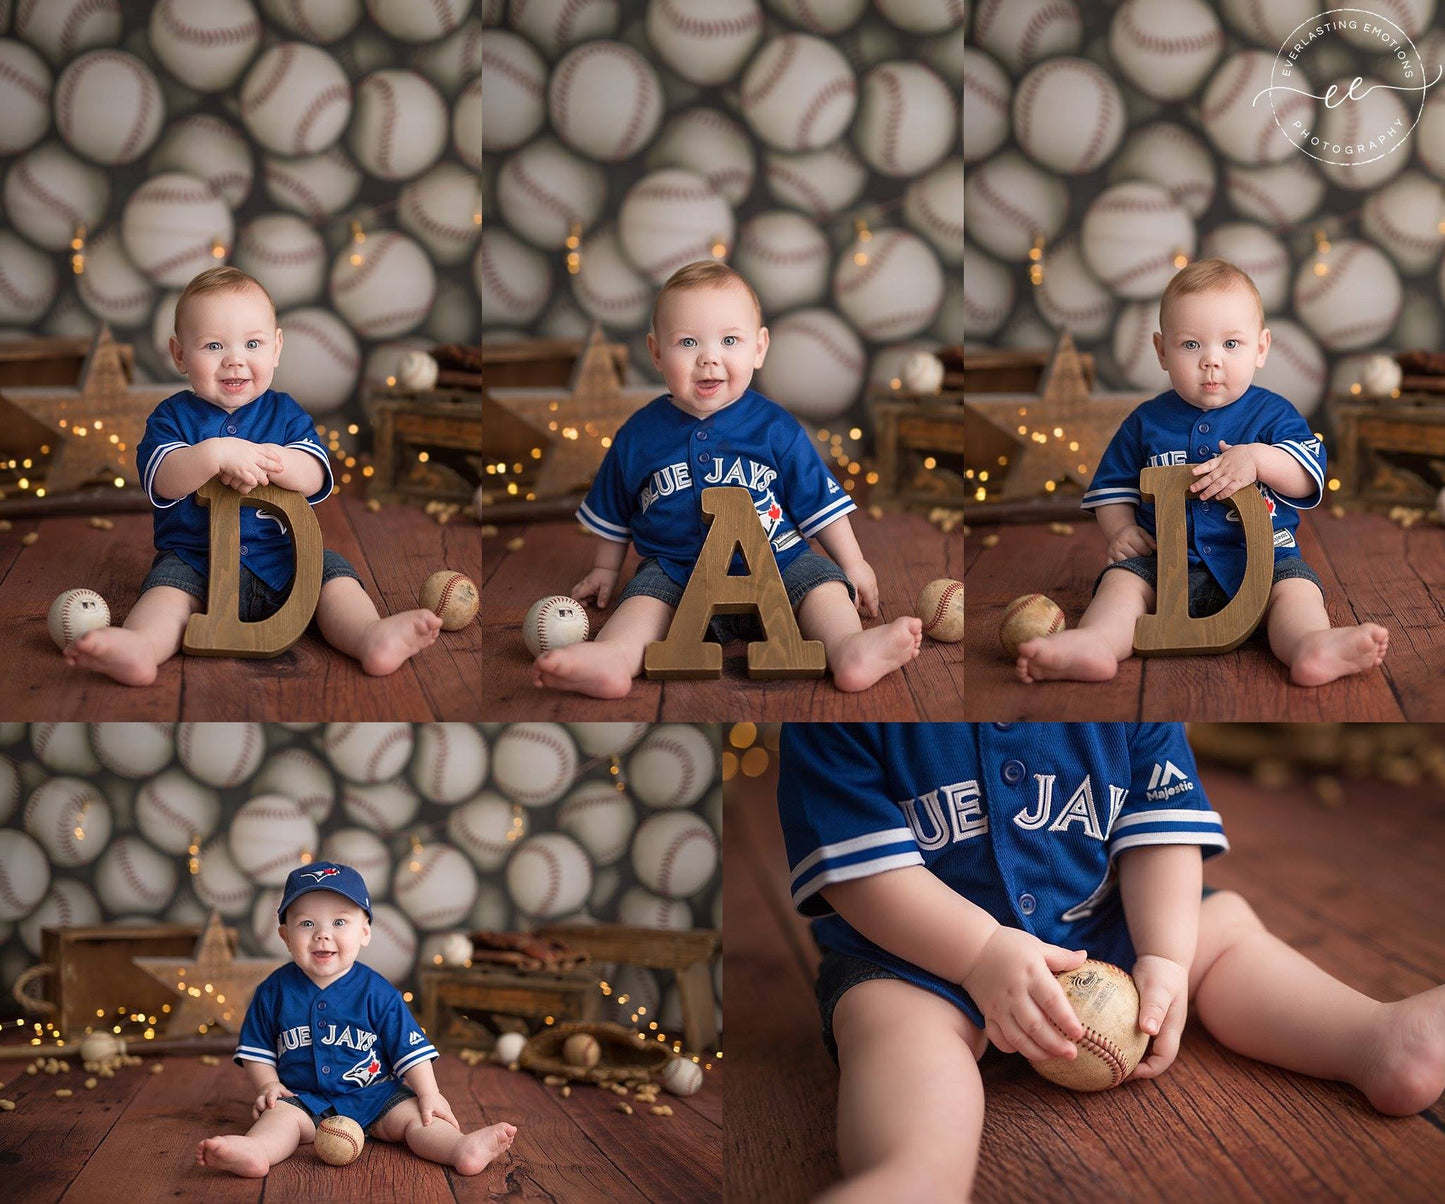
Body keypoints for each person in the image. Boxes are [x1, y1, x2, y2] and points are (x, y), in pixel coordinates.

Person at [777, 723, 1445, 1202]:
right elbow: (859, 873)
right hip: (919, 957)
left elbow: (1159, 831)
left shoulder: (1115, 688)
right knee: (892, 1024)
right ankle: (912, 1175)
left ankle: (1373, 1041)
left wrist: (1164, 953)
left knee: (1221, 930)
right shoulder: (855, 704)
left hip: (1096, 925)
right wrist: (978, 953)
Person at [532, 260, 922, 697]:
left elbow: (818, 504)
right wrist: (605, 567)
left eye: (729, 340)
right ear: (657, 352)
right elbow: (615, 510)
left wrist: (853, 564)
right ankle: (614, 658)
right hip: (677, 570)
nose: (709, 357)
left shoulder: (776, 427)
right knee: (642, 602)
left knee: (824, 587)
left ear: (759, 348)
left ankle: (849, 649)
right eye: (687, 342)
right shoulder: (638, 436)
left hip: (780, 560)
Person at [1016, 258, 1387, 687]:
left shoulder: (1273, 415)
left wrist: (1258, 459)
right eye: (1191, 345)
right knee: (1121, 586)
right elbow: (1113, 488)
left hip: (1263, 562)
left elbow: (1307, 475)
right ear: (1161, 351)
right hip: (1165, 566)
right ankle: (1096, 644)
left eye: (1231, 344)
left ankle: (1311, 646)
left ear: (1261, 348)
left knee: (1296, 593)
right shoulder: (1145, 422)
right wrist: (1119, 531)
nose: (1211, 361)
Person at [65, 266, 441, 684]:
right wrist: (217, 454)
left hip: (284, 561)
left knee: (334, 578)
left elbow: (316, 474)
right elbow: (163, 479)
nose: (235, 359)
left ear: (276, 348)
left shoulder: (285, 413)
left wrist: (272, 460)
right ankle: (140, 648)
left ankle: (370, 637)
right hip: (197, 564)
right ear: (179, 354)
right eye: (213, 345)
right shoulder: (171, 417)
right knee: (165, 596)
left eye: (252, 343)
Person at [196, 862, 516, 1178]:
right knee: (277, 1118)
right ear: (284, 935)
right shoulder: (272, 992)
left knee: (420, 1118)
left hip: (377, 1095)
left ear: (364, 932)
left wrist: (430, 1093)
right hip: (303, 1100)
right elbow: (257, 1051)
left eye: (339, 922)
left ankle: (460, 1148)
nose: (322, 935)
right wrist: (269, 1085)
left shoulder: (377, 991)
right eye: (307, 923)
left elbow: (409, 1052)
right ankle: (256, 1152)